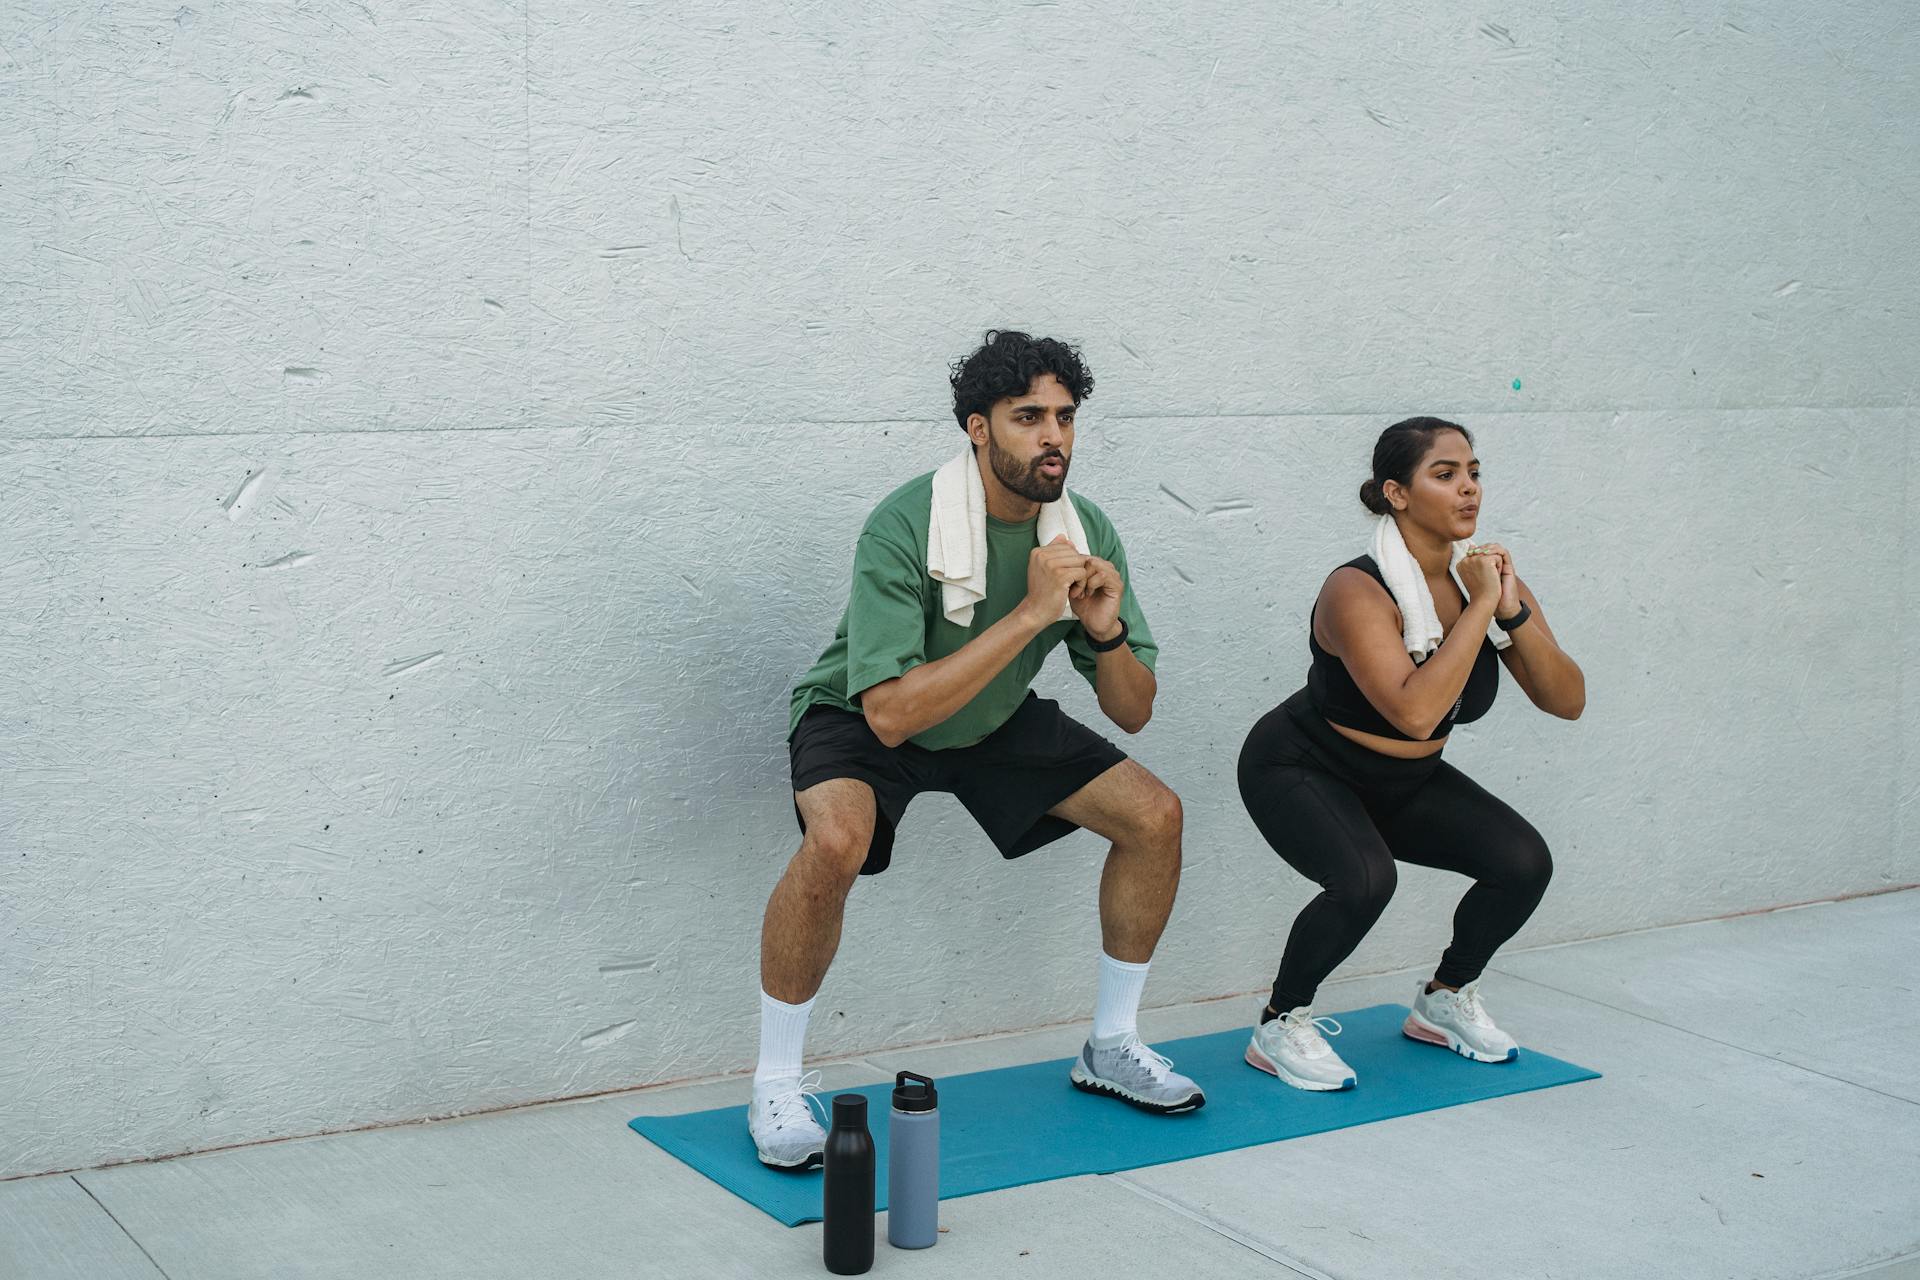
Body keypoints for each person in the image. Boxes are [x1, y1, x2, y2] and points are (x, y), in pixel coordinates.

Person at [748, 331, 1204, 1170]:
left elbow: (1134, 712)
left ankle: (1111, 1045)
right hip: (862, 712)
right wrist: (1033, 614)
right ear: (977, 428)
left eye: (1065, 417)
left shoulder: (1084, 528)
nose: (1053, 437)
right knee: (836, 842)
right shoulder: (905, 521)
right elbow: (888, 715)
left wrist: (1103, 635)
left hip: (988, 716)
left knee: (1155, 816)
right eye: (1028, 417)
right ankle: (776, 1083)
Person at [1237, 417, 1585, 1091]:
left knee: (1522, 862)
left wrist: (1508, 612)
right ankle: (1279, 1023)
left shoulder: (1484, 585)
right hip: (1301, 764)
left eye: (1474, 472)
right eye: (1445, 474)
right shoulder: (1355, 590)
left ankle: (1444, 999)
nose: (1468, 490)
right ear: (1396, 493)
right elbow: (1415, 709)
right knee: (1365, 880)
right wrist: (1484, 606)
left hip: (1404, 776)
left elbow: (1566, 700)